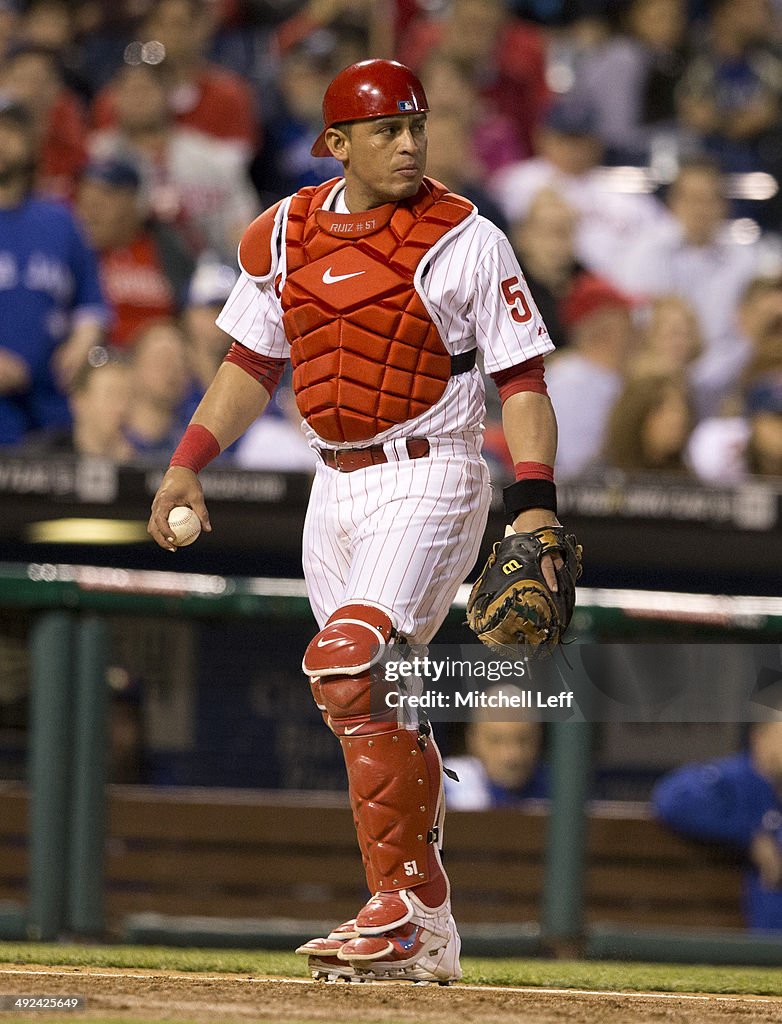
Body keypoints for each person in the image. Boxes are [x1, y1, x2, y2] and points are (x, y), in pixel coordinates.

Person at [148, 59, 564, 984]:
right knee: (367, 702)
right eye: (387, 129)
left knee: (353, 659)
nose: (410, 141)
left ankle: (400, 909)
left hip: (435, 468)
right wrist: (185, 466)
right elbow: (251, 366)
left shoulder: (468, 236)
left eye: (417, 124)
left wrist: (534, 498)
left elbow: (523, 379)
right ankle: (424, 921)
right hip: (330, 483)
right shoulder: (284, 233)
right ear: (336, 144)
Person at [0, 96, 107, 446]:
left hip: (51, 407)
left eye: (11, 131)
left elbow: (91, 304)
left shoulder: (60, 221)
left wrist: (81, 343)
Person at [653, 722, 782, 930]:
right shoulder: (736, 779)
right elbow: (673, 801)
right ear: (761, 737)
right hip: (761, 943)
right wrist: (750, 837)